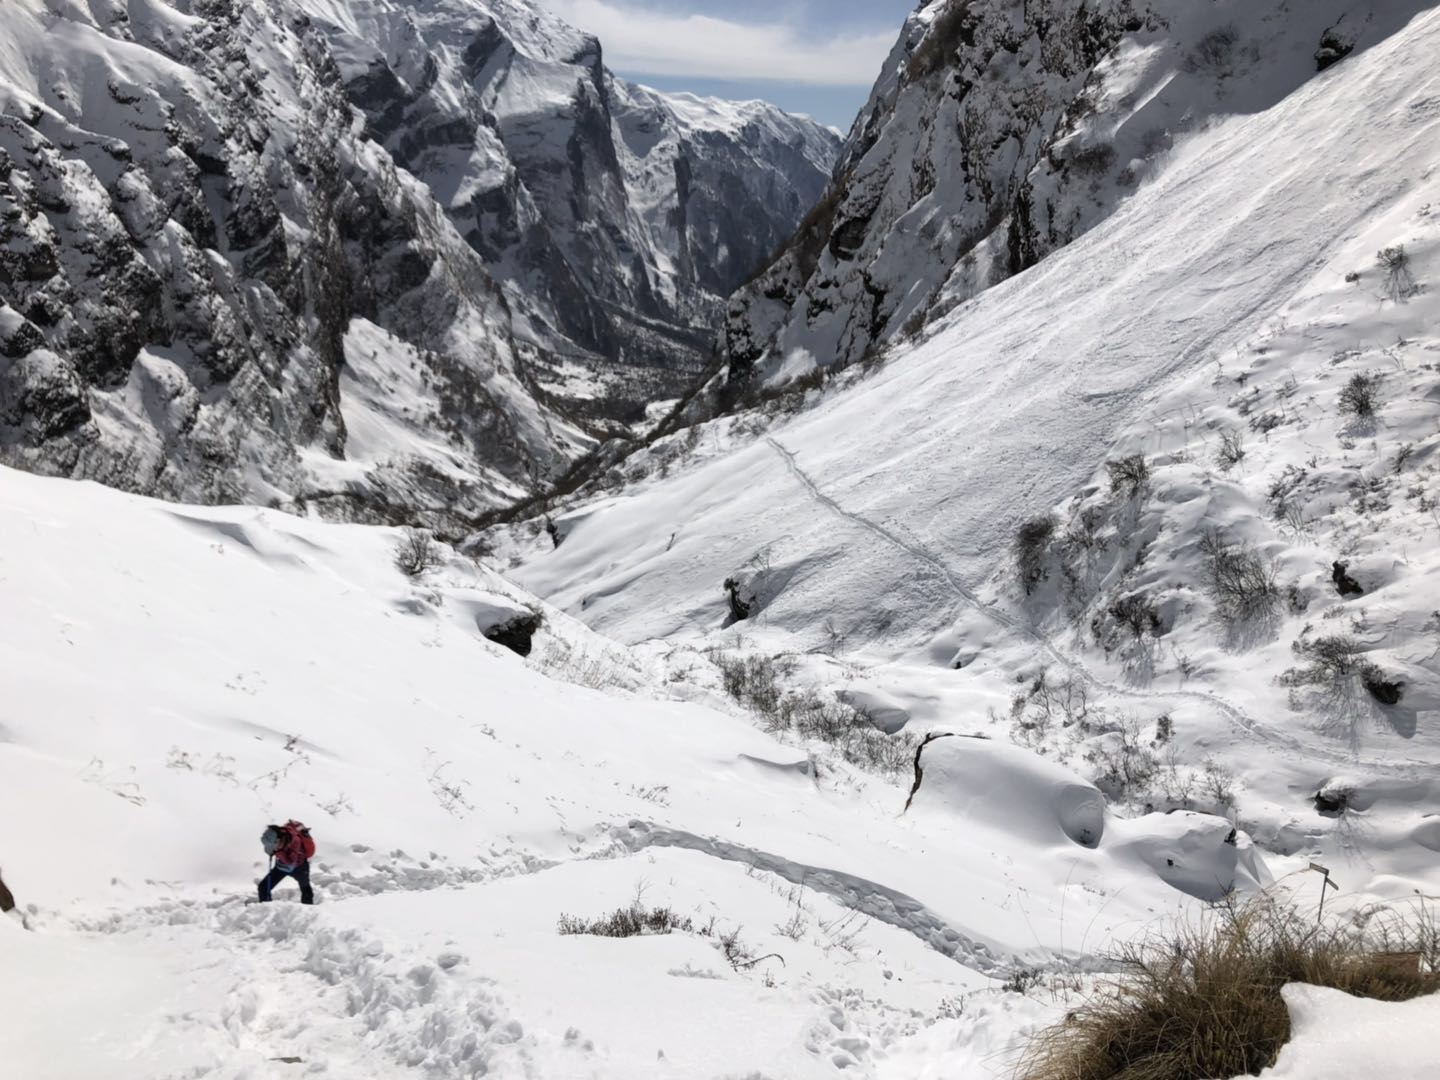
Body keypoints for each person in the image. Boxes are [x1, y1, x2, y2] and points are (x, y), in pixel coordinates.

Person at [258, 820, 316, 905]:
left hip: (299, 867)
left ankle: (308, 913)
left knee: (306, 889)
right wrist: (276, 851)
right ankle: (266, 910)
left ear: (279, 840)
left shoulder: (295, 840)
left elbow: (291, 862)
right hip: (282, 866)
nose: (275, 848)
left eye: (275, 846)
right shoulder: (278, 838)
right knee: (263, 887)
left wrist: (278, 853)